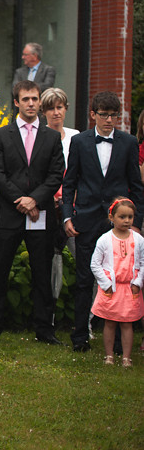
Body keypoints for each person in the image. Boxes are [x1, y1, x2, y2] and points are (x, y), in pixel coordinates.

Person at [62, 91, 144, 352]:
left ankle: (119, 342)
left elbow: (136, 186)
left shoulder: (128, 143)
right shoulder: (80, 141)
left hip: (119, 223)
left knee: (120, 279)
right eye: (104, 115)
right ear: (93, 114)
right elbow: (69, 183)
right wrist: (67, 216)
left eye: (114, 115)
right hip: (86, 219)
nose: (109, 120)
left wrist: (136, 222)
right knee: (84, 279)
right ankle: (79, 337)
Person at [0, 80, 65, 344]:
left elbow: (56, 175)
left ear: (39, 102)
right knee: (0, 271)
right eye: (26, 99)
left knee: (42, 273)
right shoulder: (0, 135)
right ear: (16, 102)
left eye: (35, 99)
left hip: (40, 214)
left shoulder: (51, 137)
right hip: (9, 213)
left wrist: (35, 200)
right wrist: (20, 200)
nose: (31, 104)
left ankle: (44, 329)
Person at [90, 198, 144, 367]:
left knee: (127, 323)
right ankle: (109, 356)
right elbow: (95, 264)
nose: (127, 220)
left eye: (130, 217)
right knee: (110, 322)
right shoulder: (104, 240)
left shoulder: (138, 239)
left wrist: (138, 282)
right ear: (111, 217)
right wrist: (106, 284)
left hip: (130, 289)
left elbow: (143, 263)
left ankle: (126, 357)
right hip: (111, 289)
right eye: (122, 217)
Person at [41, 87, 79, 303]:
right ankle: (49, 310)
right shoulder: (39, 136)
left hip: (73, 207)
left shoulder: (76, 137)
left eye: (60, 107)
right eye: (51, 108)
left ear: (66, 109)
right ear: (44, 111)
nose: (56, 112)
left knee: (82, 259)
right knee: (48, 262)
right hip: (46, 206)